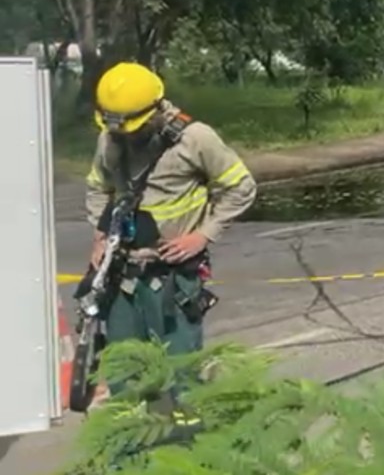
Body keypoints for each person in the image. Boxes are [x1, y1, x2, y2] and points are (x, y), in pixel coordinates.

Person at [84, 62, 257, 358]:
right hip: (121, 274)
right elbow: (98, 187)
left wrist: (202, 236)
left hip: (172, 278)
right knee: (124, 368)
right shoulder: (109, 138)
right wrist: (101, 236)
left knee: (181, 371)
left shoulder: (195, 139)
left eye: (129, 128)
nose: (122, 134)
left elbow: (241, 188)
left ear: (154, 110)